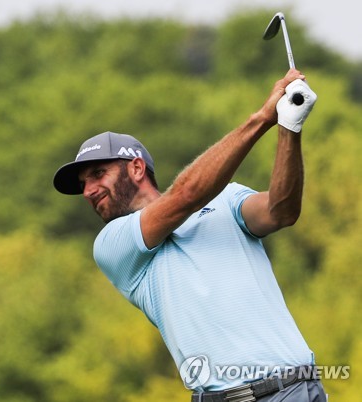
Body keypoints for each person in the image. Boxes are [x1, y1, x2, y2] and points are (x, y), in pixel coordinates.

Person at [53, 69, 326, 402]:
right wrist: (262, 119)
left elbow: (281, 211)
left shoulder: (227, 199)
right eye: (83, 184)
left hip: (290, 390)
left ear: (136, 169)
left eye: (98, 174)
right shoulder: (113, 245)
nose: (88, 190)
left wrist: (289, 126)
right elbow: (185, 196)